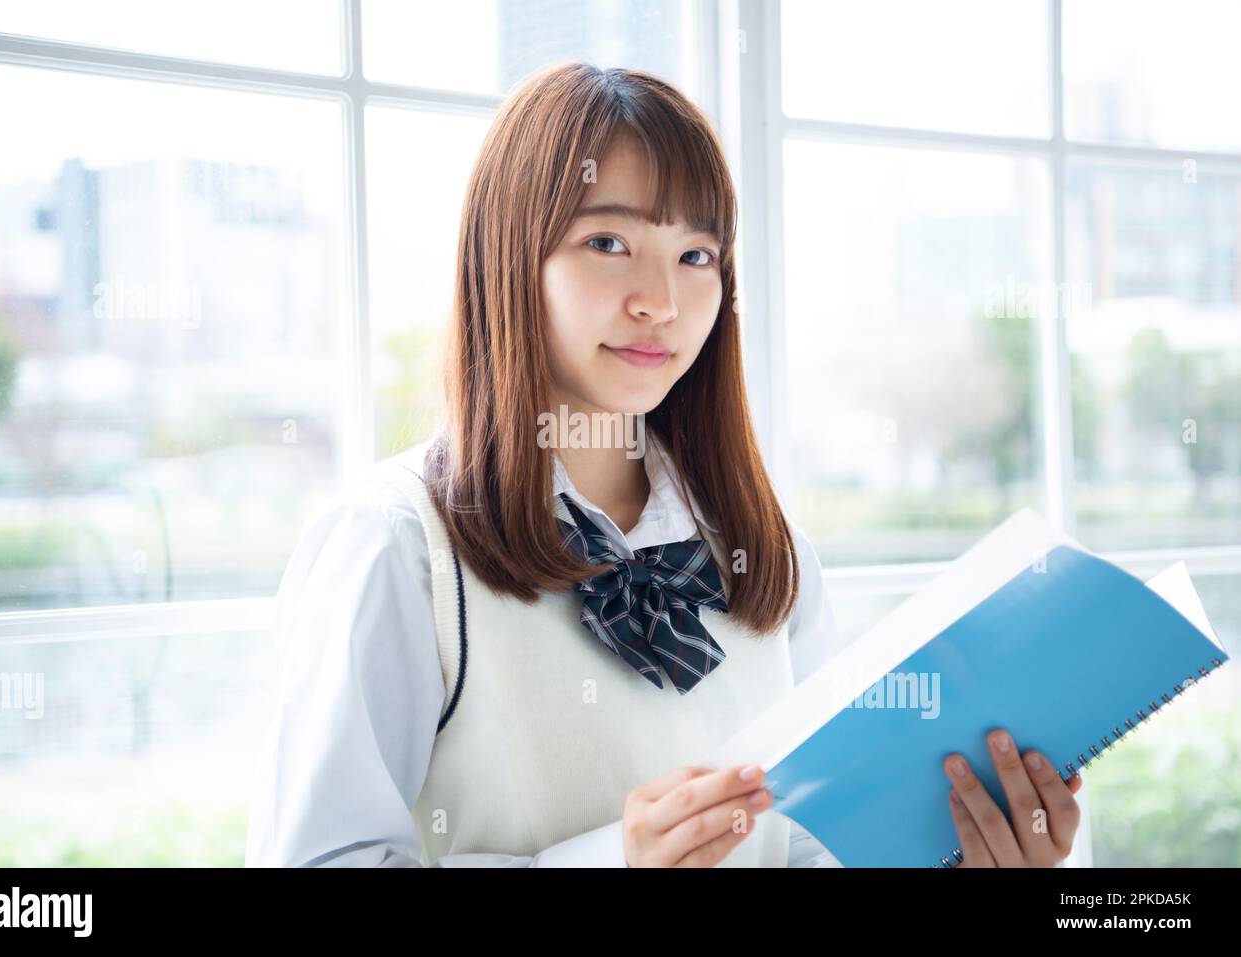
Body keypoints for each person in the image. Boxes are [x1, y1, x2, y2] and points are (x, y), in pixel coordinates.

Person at [244, 62, 1081, 868]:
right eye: (608, 241)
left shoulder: (761, 544)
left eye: (696, 256)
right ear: (506, 259)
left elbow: (812, 848)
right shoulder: (393, 543)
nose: (662, 301)